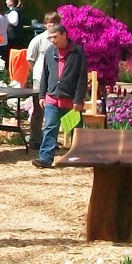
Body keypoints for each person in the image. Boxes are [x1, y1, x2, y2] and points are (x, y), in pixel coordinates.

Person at [34, 22, 87, 168]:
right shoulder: (50, 52)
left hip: (71, 99)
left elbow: (82, 78)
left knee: (76, 130)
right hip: (52, 98)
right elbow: (45, 74)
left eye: (55, 37)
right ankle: (45, 158)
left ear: (64, 35)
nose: (53, 40)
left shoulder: (78, 52)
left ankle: (79, 157)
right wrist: (42, 95)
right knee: (50, 127)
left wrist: (78, 99)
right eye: (50, 38)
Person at [25, 11, 62, 148]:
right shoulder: (38, 40)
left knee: (54, 109)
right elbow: (30, 59)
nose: (51, 26)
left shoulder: (61, 41)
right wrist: (37, 72)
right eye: (49, 23)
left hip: (56, 78)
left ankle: (50, 140)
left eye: (54, 23)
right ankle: (35, 140)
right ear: (45, 25)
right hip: (40, 78)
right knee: (38, 109)